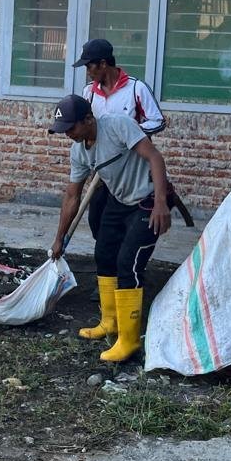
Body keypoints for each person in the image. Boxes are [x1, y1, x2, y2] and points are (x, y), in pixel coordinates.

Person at [48, 94, 171, 362]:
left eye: (71, 127)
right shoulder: (79, 151)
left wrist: (161, 203)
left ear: (88, 119)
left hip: (149, 199)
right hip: (120, 200)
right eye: (63, 129)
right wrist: (59, 238)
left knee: (128, 262)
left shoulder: (118, 126)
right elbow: (72, 196)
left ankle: (129, 340)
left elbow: (155, 157)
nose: (68, 134)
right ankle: (110, 322)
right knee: (104, 255)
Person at [73, 37, 165, 254]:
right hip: (104, 169)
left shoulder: (136, 88)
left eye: (89, 66)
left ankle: (124, 254)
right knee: (97, 218)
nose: (87, 72)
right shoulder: (89, 93)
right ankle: (108, 254)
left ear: (103, 64)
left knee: (125, 221)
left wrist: (130, 131)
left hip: (131, 168)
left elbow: (158, 121)